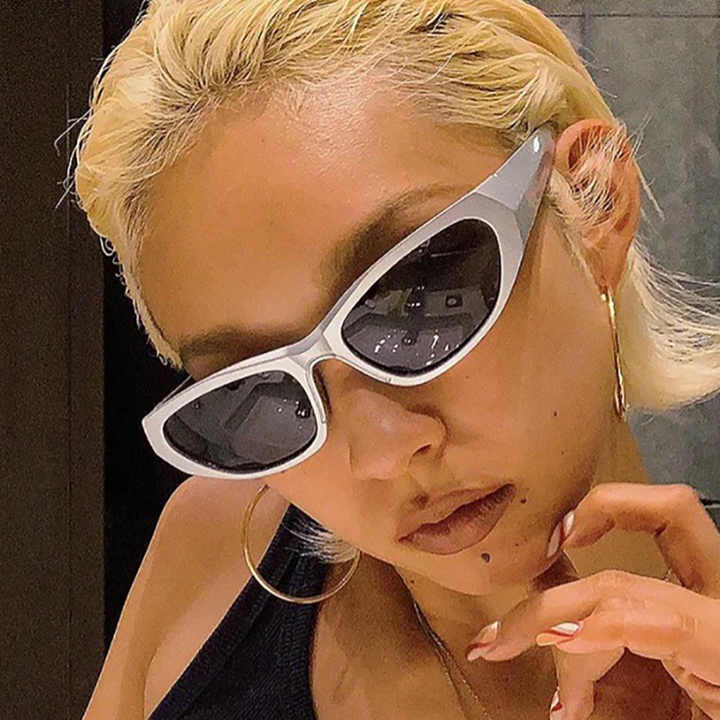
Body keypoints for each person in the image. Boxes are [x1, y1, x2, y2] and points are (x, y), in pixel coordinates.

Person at [72, 1, 720, 719]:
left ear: (596, 204)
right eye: (255, 395)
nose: (380, 454)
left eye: (416, 303)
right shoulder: (213, 557)